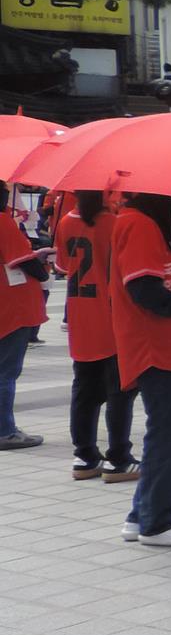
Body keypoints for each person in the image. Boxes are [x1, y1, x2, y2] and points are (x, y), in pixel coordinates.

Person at [110, 192, 171, 547]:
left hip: (165, 345)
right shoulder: (140, 224)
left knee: (170, 432)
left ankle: (142, 513)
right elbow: (144, 290)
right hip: (158, 345)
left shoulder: (141, 223)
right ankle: (158, 522)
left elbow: (154, 279)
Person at [52, 191, 135, 478]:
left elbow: (63, 266)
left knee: (84, 390)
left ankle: (84, 456)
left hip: (80, 316)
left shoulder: (66, 222)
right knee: (119, 392)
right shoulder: (114, 222)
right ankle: (119, 457)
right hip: (111, 315)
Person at [0, 182, 50, 450]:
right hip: (10, 306)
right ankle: (4, 431)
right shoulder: (2, 222)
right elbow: (24, 261)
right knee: (6, 372)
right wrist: (40, 265)